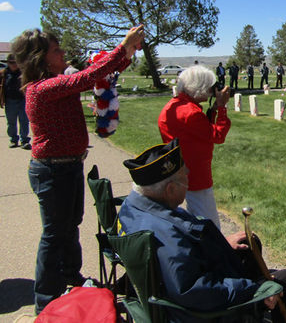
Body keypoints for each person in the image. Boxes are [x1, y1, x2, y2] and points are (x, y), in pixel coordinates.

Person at [12, 24, 144, 313]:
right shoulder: (43, 88)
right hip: (52, 171)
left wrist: (129, 50)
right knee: (54, 234)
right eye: (57, 51)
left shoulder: (54, 83)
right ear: (42, 59)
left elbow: (100, 73)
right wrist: (123, 46)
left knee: (69, 227)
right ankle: (45, 301)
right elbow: (89, 77)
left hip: (66, 168)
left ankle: (71, 278)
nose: (64, 54)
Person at [118, 139, 286, 323]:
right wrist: (253, 289)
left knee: (249, 244)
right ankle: (264, 302)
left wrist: (222, 244)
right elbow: (195, 291)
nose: (189, 174)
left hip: (185, 287)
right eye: (185, 176)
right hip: (204, 311)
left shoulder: (134, 207)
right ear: (171, 188)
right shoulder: (167, 235)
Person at [158, 65, 230, 229]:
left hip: (178, 168)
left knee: (193, 217)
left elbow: (199, 131)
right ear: (200, 88)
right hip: (196, 174)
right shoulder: (192, 113)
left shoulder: (177, 105)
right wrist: (222, 108)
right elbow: (217, 136)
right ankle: (212, 252)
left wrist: (212, 111)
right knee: (208, 223)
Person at [0, 54, 31, 149]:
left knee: (24, 121)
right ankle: (13, 140)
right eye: (11, 62)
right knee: (11, 122)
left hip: (22, 100)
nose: (13, 64)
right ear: (8, 63)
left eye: (15, 62)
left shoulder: (24, 73)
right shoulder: (3, 73)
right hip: (10, 101)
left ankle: (24, 140)